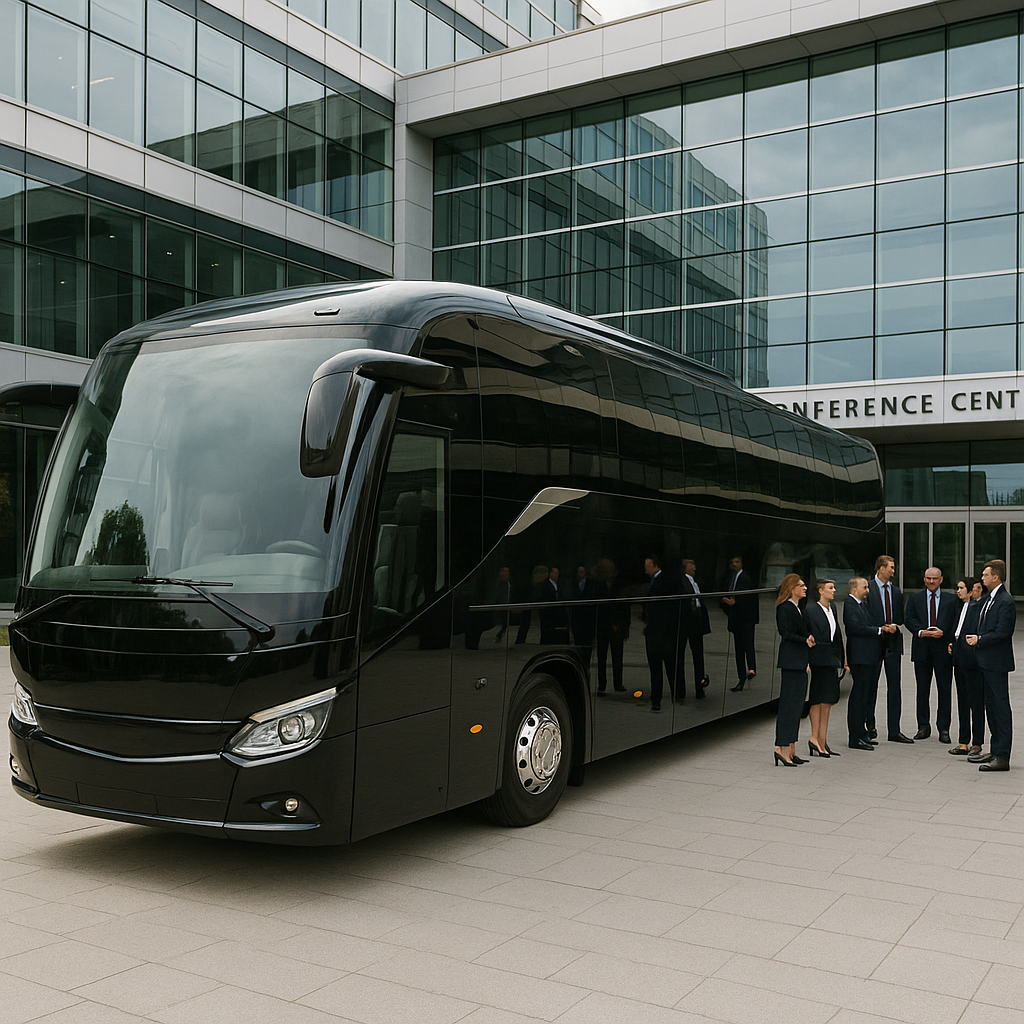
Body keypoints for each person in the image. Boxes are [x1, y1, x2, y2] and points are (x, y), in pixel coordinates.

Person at [966, 559, 1015, 772]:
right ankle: (995, 750)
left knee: (1000, 707)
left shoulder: (1005, 601)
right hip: (985, 661)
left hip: (996, 662)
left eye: (985, 575)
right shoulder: (988, 599)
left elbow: (1004, 632)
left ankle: (1003, 756)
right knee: (991, 708)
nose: (982, 578)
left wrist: (980, 639)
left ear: (996, 577)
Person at [904, 566, 956, 743]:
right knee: (922, 689)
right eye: (928, 578)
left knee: (944, 690)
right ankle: (923, 727)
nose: (931, 581)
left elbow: (956, 621)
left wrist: (946, 634)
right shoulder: (915, 598)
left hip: (943, 650)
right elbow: (908, 618)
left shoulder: (951, 599)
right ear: (924, 579)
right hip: (922, 649)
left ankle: (944, 728)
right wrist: (921, 632)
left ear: (941, 579)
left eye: (935, 578)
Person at [865, 555, 913, 743]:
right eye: (891, 567)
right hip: (874, 640)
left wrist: (894, 625)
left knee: (895, 687)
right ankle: (870, 725)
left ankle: (895, 729)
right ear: (881, 568)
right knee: (871, 685)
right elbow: (866, 615)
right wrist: (880, 628)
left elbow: (900, 616)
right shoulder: (868, 589)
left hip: (892, 641)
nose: (894, 571)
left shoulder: (896, 591)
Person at [774, 573, 814, 766]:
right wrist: (804, 639)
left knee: (797, 706)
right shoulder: (784, 608)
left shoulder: (799, 608)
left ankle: (791, 748)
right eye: (801, 585)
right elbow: (786, 633)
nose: (805, 588)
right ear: (792, 588)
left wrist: (809, 638)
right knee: (789, 706)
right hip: (791, 661)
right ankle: (780, 747)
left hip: (800, 660)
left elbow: (804, 630)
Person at [804, 578, 846, 757]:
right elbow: (807, 634)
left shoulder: (833, 608)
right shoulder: (811, 609)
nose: (834, 590)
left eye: (834, 587)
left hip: (831, 658)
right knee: (818, 697)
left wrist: (843, 659)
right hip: (817, 657)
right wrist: (805, 660)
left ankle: (823, 740)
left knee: (829, 700)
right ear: (820, 591)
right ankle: (814, 737)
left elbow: (837, 635)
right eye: (830, 588)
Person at [948, 576, 984, 757]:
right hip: (959, 658)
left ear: (970, 591)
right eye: (957, 587)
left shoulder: (978, 608)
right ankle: (963, 741)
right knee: (962, 700)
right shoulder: (959, 606)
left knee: (976, 702)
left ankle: (977, 742)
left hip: (972, 660)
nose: (958, 591)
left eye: (962, 588)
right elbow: (956, 629)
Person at [844, 576, 879, 750]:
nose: (867, 590)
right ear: (854, 589)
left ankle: (862, 732)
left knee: (865, 696)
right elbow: (855, 627)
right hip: (859, 657)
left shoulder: (862, 605)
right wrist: (878, 630)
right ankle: (855, 736)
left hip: (868, 656)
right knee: (858, 697)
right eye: (864, 587)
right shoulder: (849, 605)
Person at [643, 554, 679, 711]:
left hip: (661, 632)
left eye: (647, 565)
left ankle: (667, 696)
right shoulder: (654, 582)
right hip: (655, 630)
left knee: (663, 665)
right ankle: (657, 697)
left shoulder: (664, 581)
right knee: (657, 666)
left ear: (655, 565)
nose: (645, 568)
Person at [722, 555, 759, 691]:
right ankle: (744, 674)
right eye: (732, 562)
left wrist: (736, 602)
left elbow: (749, 598)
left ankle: (750, 669)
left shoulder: (745, 578)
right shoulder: (732, 577)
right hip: (737, 619)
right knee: (739, 649)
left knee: (746, 645)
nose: (734, 564)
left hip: (745, 620)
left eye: (737, 562)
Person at [594, 557, 628, 693]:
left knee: (617, 655)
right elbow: (601, 608)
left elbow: (623, 605)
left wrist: (621, 624)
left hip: (617, 624)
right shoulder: (598, 586)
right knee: (602, 656)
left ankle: (617, 682)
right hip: (604, 626)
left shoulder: (618, 584)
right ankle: (602, 684)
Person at [680, 557, 711, 699]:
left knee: (698, 654)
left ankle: (700, 685)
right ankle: (681, 689)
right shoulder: (683, 581)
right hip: (688, 621)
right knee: (683, 653)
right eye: (692, 565)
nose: (694, 568)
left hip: (696, 620)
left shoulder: (694, 582)